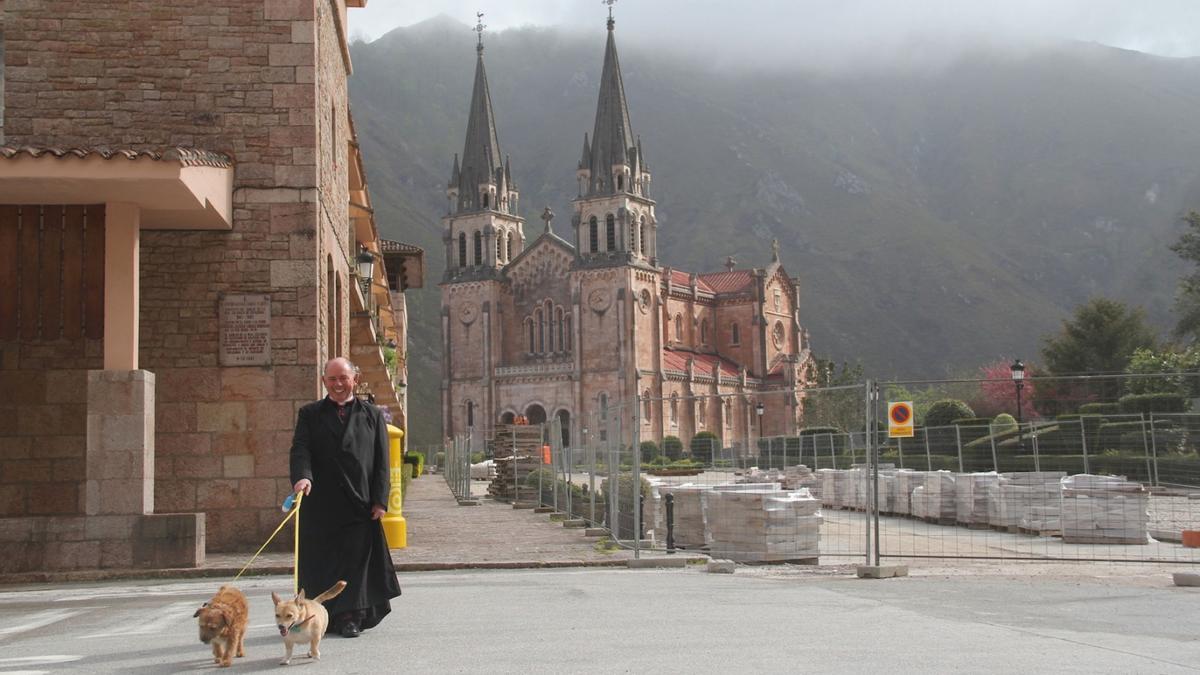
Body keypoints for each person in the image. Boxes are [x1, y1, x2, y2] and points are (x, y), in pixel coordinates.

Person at [289, 357, 401, 638]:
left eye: (343, 378)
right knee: (322, 562)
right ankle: (318, 615)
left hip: (360, 503)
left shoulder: (373, 415)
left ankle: (350, 616)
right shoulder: (309, 414)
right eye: (332, 379)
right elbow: (300, 449)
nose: (338, 384)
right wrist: (302, 476)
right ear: (324, 381)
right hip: (320, 502)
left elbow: (381, 462)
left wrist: (380, 500)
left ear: (355, 379)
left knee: (355, 564)